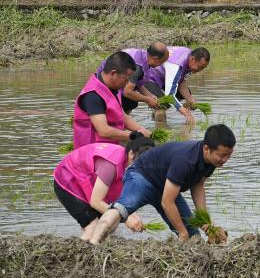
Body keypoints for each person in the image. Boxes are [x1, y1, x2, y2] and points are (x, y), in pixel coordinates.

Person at [88, 124, 235, 244]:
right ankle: (93, 243)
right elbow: (167, 202)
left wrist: (206, 223)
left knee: (193, 235)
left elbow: (198, 186)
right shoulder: (185, 160)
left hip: (165, 186)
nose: (225, 159)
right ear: (206, 148)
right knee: (122, 209)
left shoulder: (212, 160)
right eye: (222, 155)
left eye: (229, 155)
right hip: (142, 176)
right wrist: (181, 232)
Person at [53, 133, 155, 240]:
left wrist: (131, 213)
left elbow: (122, 196)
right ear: (131, 154)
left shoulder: (128, 164)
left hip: (88, 182)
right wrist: (126, 218)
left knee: (109, 227)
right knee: (93, 229)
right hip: (68, 180)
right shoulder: (111, 164)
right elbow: (96, 202)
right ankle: (75, 254)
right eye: (140, 164)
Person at [73, 51, 151, 149]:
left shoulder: (114, 87)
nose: (127, 84)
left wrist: (143, 131)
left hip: (110, 148)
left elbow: (123, 117)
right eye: (125, 79)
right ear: (113, 73)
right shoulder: (92, 95)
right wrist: (134, 136)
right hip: (92, 153)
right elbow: (103, 131)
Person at [142, 46, 211, 124]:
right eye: (200, 67)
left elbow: (180, 81)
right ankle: (161, 128)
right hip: (149, 76)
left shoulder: (189, 56)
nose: (200, 70)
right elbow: (170, 96)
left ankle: (156, 115)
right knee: (162, 105)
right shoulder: (176, 65)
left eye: (203, 68)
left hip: (163, 77)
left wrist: (189, 99)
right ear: (192, 59)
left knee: (182, 96)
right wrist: (184, 111)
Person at [96, 43, 169, 114]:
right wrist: (147, 100)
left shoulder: (142, 56)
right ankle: (121, 121)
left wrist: (150, 96)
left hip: (111, 81)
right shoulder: (137, 66)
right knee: (130, 102)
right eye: (162, 62)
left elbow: (138, 84)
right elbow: (127, 92)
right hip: (104, 85)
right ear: (155, 59)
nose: (161, 65)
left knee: (132, 101)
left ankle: (123, 121)